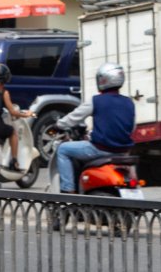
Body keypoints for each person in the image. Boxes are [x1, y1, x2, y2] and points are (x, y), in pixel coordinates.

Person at [52, 62, 135, 194]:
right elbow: (131, 127)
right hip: (123, 151)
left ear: (103, 80)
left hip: (100, 149)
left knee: (63, 149)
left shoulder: (96, 100)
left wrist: (58, 125)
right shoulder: (129, 102)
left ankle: (68, 191)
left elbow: (74, 117)